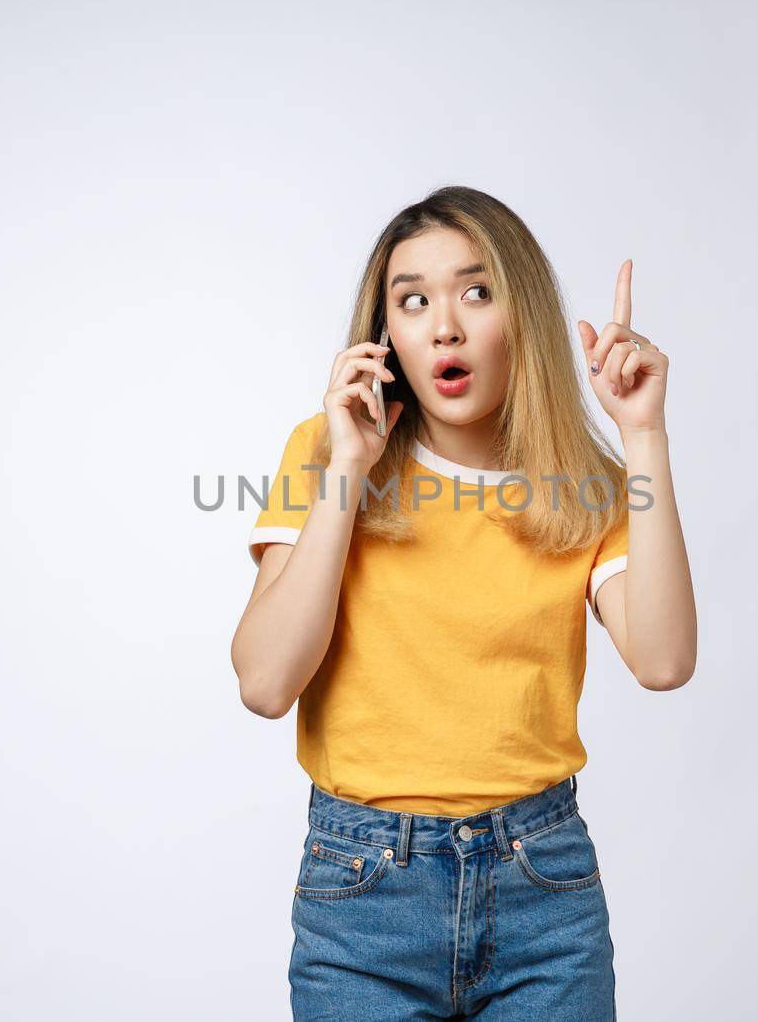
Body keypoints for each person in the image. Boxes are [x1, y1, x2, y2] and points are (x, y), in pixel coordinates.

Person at [231, 185, 698, 1020]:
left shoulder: (583, 486)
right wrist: (347, 468)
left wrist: (644, 438)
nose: (444, 324)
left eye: (476, 292)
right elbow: (266, 682)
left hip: (543, 893)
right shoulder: (322, 451)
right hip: (363, 900)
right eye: (413, 301)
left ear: (522, 314)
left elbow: (663, 659)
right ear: (386, 336)